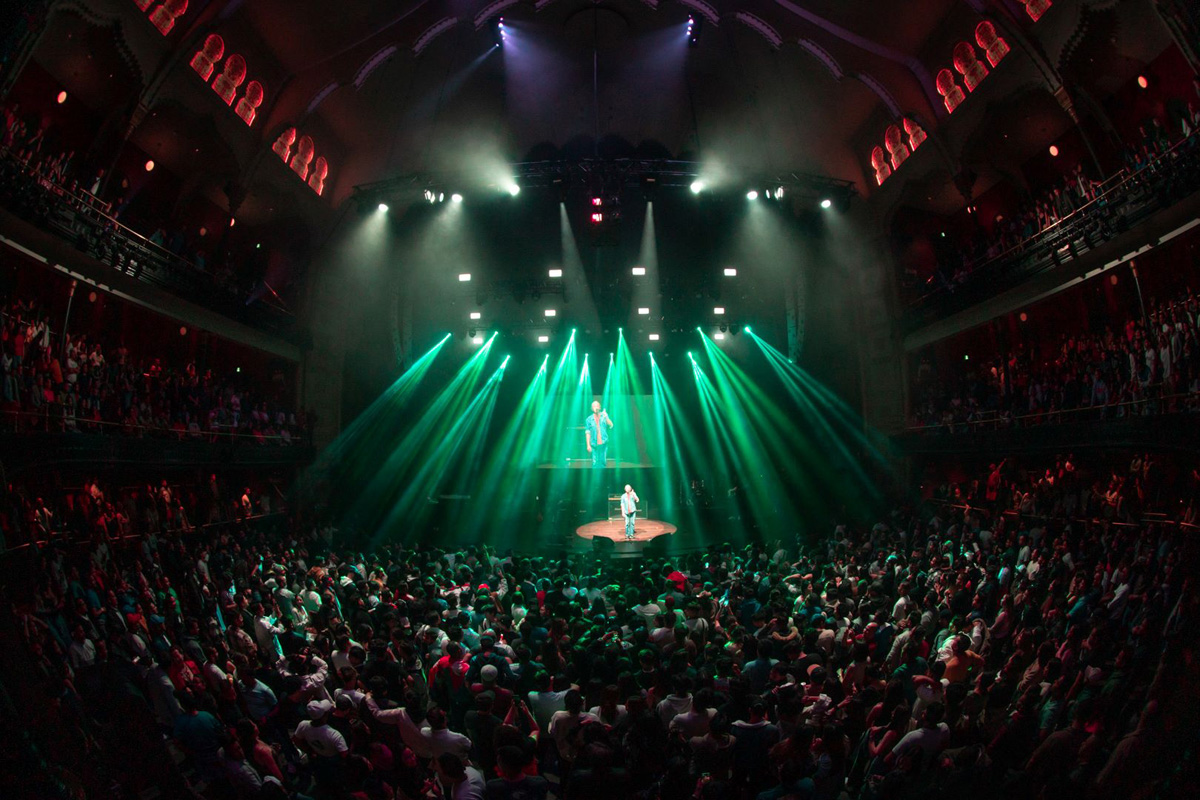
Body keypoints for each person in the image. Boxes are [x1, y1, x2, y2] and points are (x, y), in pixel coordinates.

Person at [583, 400, 612, 468]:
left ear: (600, 407)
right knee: (595, 463)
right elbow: (587, 433)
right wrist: (588, 445)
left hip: (603, 443)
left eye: (597, 405)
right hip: (594, 444)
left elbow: (611, 425)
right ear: (591, 408)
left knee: (603, 462)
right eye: (593, 406)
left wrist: (606, 417)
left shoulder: (604, 416)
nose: (595, 407)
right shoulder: (589, 419)